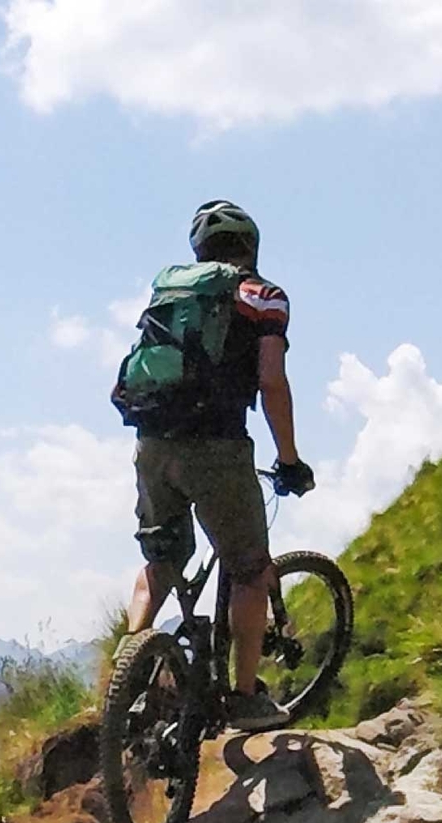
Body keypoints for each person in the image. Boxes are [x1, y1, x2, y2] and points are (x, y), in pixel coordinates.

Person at [114, 199, 315, 732]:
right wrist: (289, 460)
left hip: (152, 442)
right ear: (251, 247)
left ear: (199, 252)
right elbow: (271, 380)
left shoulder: (172, 293)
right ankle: (245, 698)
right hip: (218, 448)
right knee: (250, 571)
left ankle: (123, 678)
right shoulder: (264, 296)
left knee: (161, 563)